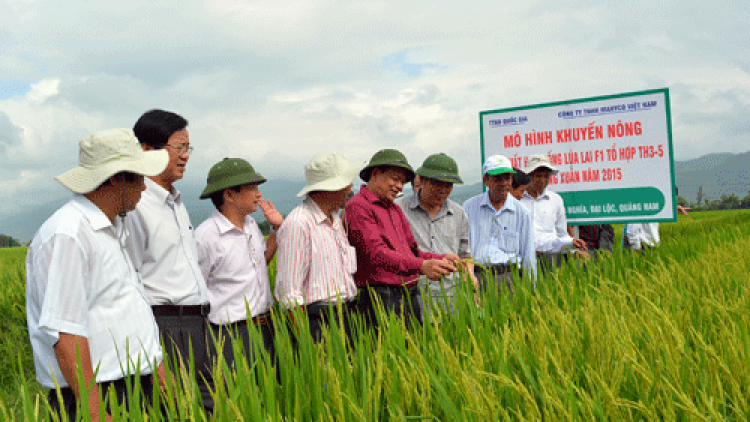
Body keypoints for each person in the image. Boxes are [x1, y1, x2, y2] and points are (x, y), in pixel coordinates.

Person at [26, 128, 168, 421]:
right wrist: (95, 413)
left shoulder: (111, 228)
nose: (144, 187)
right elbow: (65, 334)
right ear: (117, 178)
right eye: (139, 177)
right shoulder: (69, 234)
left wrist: (160, 378)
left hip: (132, 388)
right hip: (98, 395)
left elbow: (126, 312)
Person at [123, 109, 213, 411]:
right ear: (146, 150)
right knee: (176, 410)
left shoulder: (175, 202)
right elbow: (130, 284)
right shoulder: (137, 206)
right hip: (165, 326)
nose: (185, 155)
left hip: (198, 325)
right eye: (178, 147)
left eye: (188, 148)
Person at [345, 149, 459, 330]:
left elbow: (412, 252)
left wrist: (441, 259)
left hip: (407, 294)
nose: (399, 186)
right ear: (375, 174)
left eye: (402, 182)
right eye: (395, 179)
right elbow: (375, 253)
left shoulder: (394, 209)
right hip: (379, 296)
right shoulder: (358, 206)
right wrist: (422, 266)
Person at [195, 158, 282, 370]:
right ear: (229, 194)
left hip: (265, 328)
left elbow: (261, 262)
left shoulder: (251, 225)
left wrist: (276, 230)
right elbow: (197, 291)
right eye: (251, 188)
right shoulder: (206, 237)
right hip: (230, 336)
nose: (259, 194)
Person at [275, 152, 364, 343]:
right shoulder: (299, 224)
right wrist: (307, 345)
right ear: (332, 188)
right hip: (319, 323)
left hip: (346, 316)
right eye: (347, 184)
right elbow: (289, 294)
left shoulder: (335, 221)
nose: (350, 189)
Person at [395, 153, 478, 320]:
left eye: (448, 185)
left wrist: (470, 278)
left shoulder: (458, 213)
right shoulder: (398, 209)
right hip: (411, 298)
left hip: (451, 299)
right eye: (437, 184)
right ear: (422, 181)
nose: (443, 190)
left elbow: (465, 255)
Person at [463, 155, 536, 292]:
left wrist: (531, 289)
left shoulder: (521, 212)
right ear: (486, 180)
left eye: (507, 178)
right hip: (478, 277)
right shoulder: (469, 207)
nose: (503, 182)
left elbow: (528, 254)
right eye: (497, 178)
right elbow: (463, 247)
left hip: (510, 278)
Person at [520, 155, 588, 273]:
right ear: (528, 176)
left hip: (552, 257)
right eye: (538, 176)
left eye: (546, 176)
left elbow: (562, 233)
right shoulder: (518, 200)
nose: (542, 180)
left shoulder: (556, 200)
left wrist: (574, 250)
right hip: (526, 258)